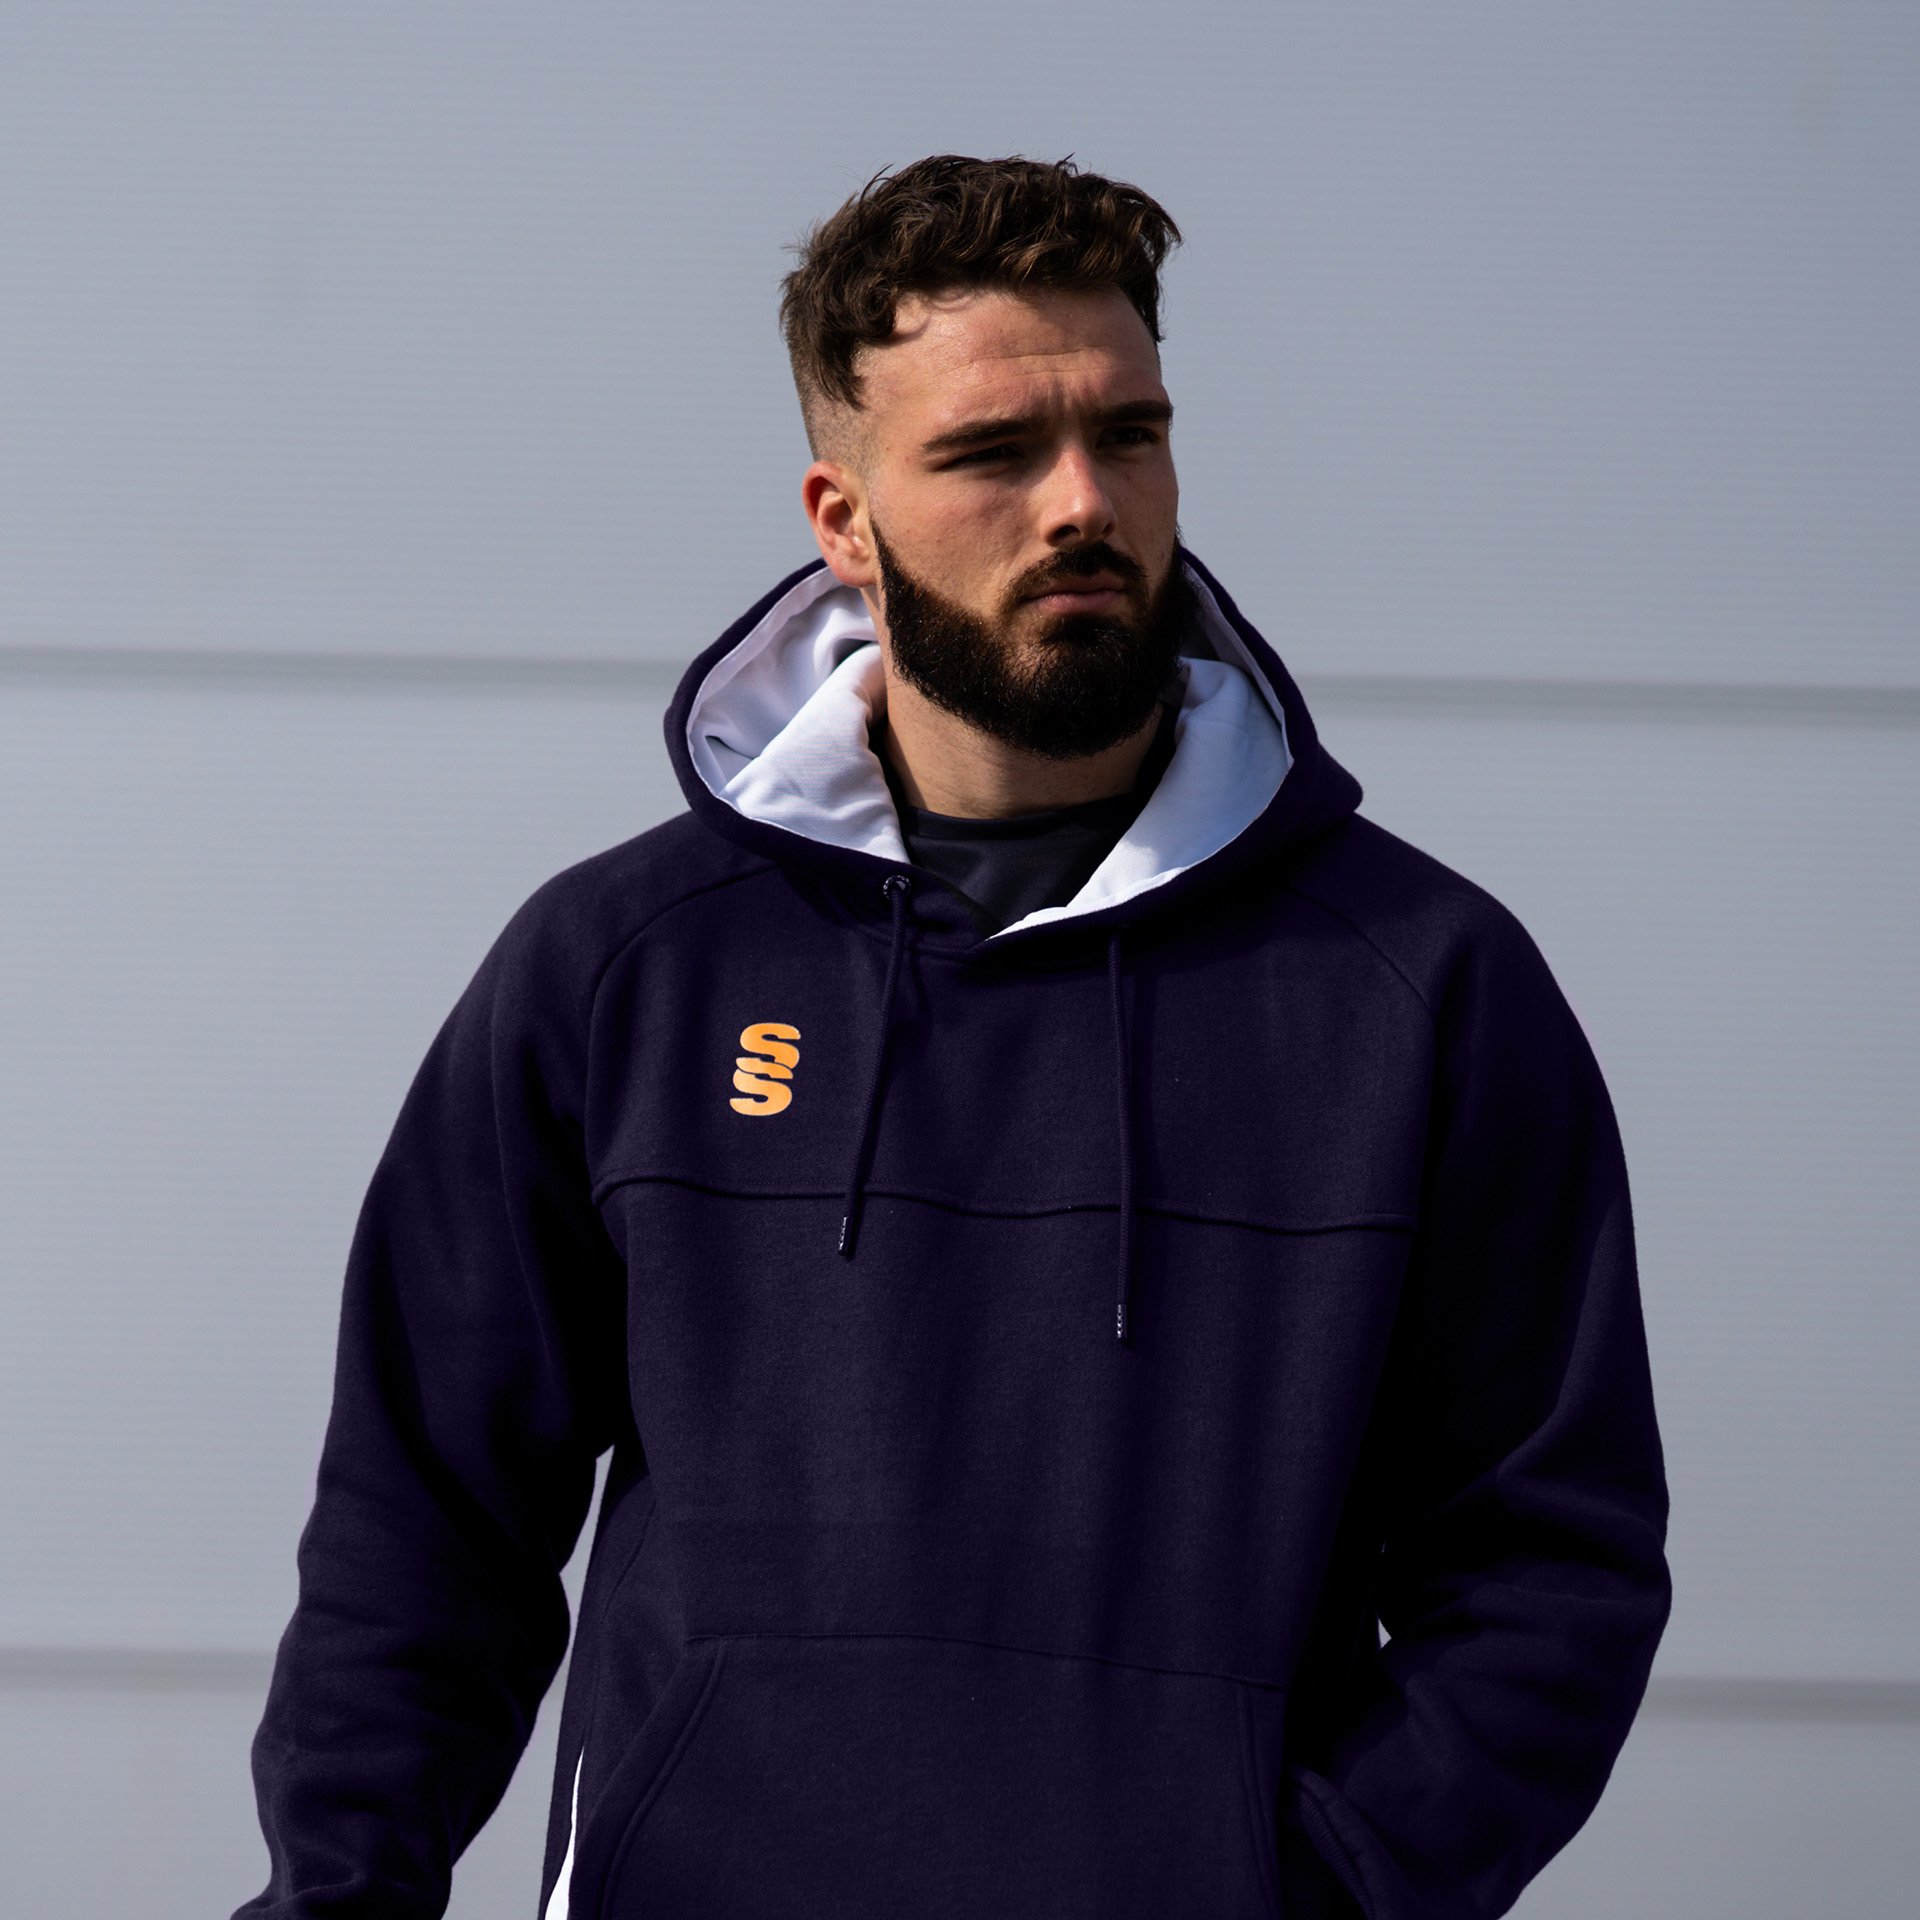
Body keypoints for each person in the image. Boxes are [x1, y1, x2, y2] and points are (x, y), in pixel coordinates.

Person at [239, 156, 1669, 1920]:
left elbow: (1546, 1568)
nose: (1083, 503)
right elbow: (423, 1529)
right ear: (844, 520)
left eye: (1128, 435)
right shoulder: (624, 970)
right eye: (995, 452)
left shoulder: (1419, 988)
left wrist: (1312, 1891)